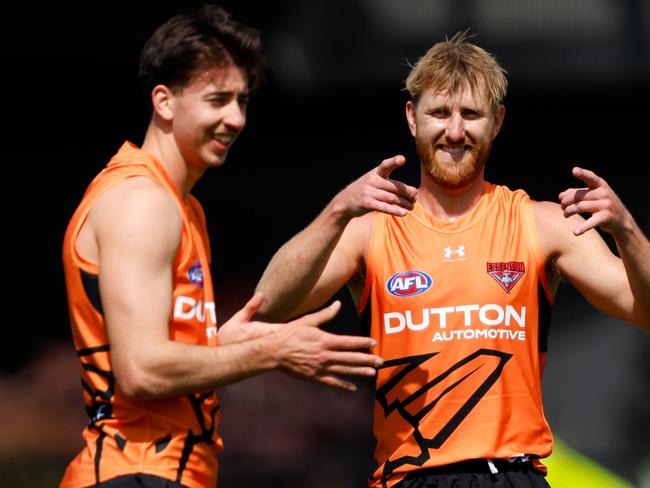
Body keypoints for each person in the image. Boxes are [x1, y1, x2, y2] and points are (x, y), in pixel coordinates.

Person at [255, 31, 650, 488]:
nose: (455, 131)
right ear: (412, 118)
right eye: (440, 113)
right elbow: (269, 306)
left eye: (471, 114)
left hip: (510, 475)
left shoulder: (541, 224)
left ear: (497, 121)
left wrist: (626, 228)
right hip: (409, 478)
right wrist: (337, 210)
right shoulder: (371, 227)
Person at [60, 5, 382, 488]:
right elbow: (141, 371)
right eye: (217, 99)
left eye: (242, 101)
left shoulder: (182, 206)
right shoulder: (141, 202)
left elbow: (162, 354)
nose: (235, 118)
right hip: (135, 472)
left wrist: (226, 345)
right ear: (164, 102)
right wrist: (274, 351)